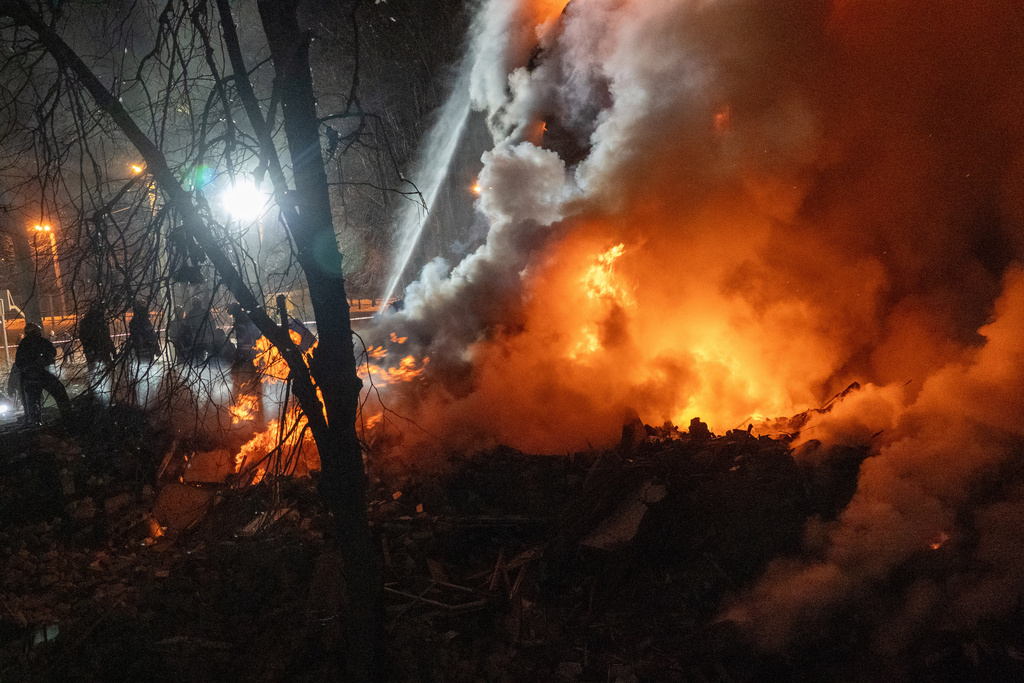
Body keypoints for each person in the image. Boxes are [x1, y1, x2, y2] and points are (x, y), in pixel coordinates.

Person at [15, 322, 72, 426]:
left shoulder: (25, 344)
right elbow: (20, 362)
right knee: (56, 392)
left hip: (33, 376)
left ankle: (36, 422)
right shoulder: (30, 343)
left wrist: (43, 358)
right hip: (33, 376)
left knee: (35, 400)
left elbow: (52, 351)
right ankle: (66, 416)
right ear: (34, 331)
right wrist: (33, 364)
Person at [228, 303, 265, 429]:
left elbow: (244, 342)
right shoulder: (246, 318)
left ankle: (253, 419)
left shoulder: (241, 321)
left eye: (232, 313)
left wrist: (239, 356)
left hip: (249, 358)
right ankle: (257, 417)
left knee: (246, 384)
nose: (232, 316)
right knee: (253, 386)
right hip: (253, 357)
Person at [78, 302, 115, 369]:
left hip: (94, 349)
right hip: (101, 349)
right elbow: (106, 337)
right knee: (107, 367)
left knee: (93, 369)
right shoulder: (100, 322)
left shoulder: (86, 323)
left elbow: (83, 338)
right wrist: (112, 349)